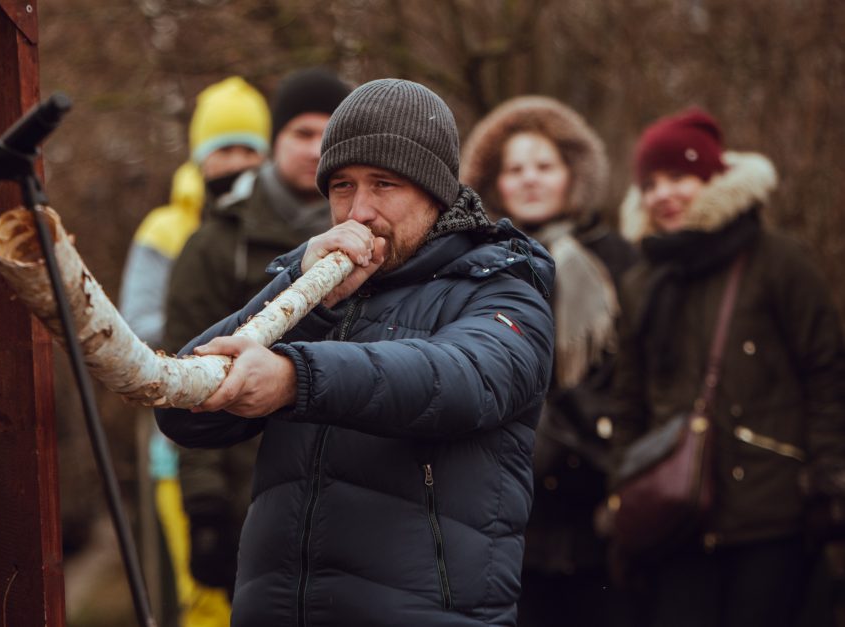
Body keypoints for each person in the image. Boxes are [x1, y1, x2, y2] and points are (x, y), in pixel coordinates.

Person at [155, 78, 556, 626]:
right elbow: (181, 407)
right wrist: (299, 289)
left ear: (436, 191)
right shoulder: (322, 290)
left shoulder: (505, 291)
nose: (358, 211)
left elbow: (458, 378)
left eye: (384, 184)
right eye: (341, 186)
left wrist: (294, 379)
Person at [610, 107, 845, 627]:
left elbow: (827, 372)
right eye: (650, 183)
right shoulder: (643, 282)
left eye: (678, 177)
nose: (662, 194)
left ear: (714, 178)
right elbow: (631, 401)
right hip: (674, 523)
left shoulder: (779, 261)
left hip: (772, 520)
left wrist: (829, 479)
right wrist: (622, 497)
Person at [162, 68, 351, 606]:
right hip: (252, 495)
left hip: (351, 505)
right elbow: (186, 378)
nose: (315, 149)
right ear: (274, 142)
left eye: (328, 134)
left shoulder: (375, 238)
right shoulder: (216, 245)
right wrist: (205, 509)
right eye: (301, 134)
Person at [461, 96, 638, 627]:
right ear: (495, 181)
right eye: (516, 169)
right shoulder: (470, 262)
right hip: (498, 504)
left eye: (545, 166)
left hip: (596, 499)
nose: (531, 179)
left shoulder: (618, 261)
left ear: (571, 175)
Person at [119, 76, 271, 626]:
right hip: (180, 446)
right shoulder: (166, 229)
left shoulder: (273, 223)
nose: (238, 162)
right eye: (224, 149)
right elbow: (135, 329)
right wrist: (221, 329)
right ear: (199, 157)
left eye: (251, 150)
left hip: (255, 436)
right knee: (203, 596)